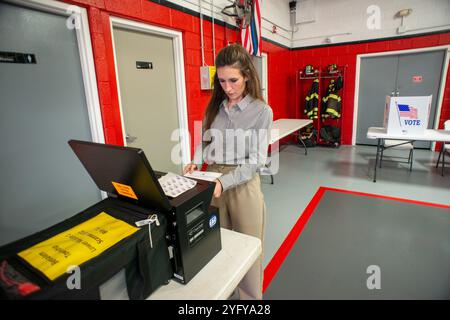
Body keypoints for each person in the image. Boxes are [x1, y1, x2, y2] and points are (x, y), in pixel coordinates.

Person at [183, 44, 273, 300]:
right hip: (212, 180)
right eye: (221, 81)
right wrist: (195, 161)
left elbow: (257, 159)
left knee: (249, 247)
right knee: (217, 244)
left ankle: (249, 300)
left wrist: (225, 181)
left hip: (242, 181)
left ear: (246, 75)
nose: (228, 87)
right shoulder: (215, 107)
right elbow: (205, 141)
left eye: (233, 80)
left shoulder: (261, 111)